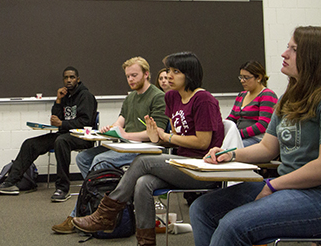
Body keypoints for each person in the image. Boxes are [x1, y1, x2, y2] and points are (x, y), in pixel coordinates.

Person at [71, 52, 224, 246]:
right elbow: (178, 139)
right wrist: (158, 137)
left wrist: (166, 137)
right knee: (143, 183)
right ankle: (145, 243)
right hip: (181, 162)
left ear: (190, 74)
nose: (168, 75)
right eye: (168, 70)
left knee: (142, 161)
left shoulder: (203, 99)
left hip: (202, 166)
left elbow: (203, 142)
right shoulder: (172, 98)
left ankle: (105, 213)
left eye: (175, 71)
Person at [190, 26, 321, 246]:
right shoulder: (288, 98)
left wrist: (273, 186)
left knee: (233, 225)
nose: (284, 53)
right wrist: (229, 154)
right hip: (287, 186)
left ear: (313, 57)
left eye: (294, 49)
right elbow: (267, 148)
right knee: (201, 209)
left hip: (316, 195)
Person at [52, 56, 168, 234]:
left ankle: (81, 213)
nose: (130, 79)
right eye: (128, 76)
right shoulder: (130, 98)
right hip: (126, 145)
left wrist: (126, 134)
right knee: (84, 158)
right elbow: (120, 122)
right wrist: (110, 129)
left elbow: (157, 134)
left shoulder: (158, 97)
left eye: (134, 75)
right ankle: (103, 201)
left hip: (145, 149)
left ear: (146, 74)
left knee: (100, 161)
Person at [0, 66, 98, 202]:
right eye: (66, 77)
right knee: (30, 144)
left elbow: (85, 121)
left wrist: (62, 124)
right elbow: (56, 120)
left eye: (72, 77)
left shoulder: (85, 96)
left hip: (82, 137)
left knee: (61, 142)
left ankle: (62, 189)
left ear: (78, 79)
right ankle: (10, 183)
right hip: (64, 135)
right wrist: (58, 101)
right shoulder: (65, 96)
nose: (69, 80)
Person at [226, 61, 278, 147]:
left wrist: (238, 134)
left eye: (246, 78)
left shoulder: (267, 95)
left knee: (231, 149)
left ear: (259, 78)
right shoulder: (241, 95)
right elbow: (232, 118)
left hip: (258, 139)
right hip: (240, 137)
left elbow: (263, 125)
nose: (242, 81)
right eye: (241, 77)